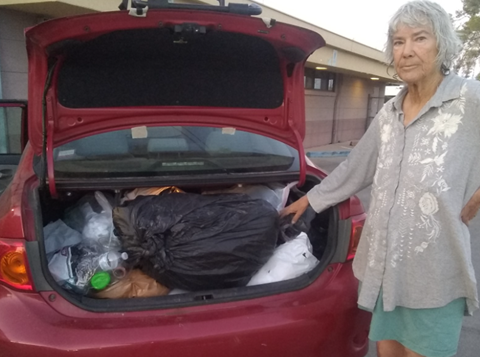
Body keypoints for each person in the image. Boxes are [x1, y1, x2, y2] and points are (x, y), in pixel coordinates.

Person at [280, 1, 480, 356]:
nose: (406, 51)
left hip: (434, 273)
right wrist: (311, 198)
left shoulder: (468, 99)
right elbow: (356, 167)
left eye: (419, 38)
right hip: (387, 269)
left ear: (442, 45)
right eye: (398, 42)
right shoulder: (389, 113)